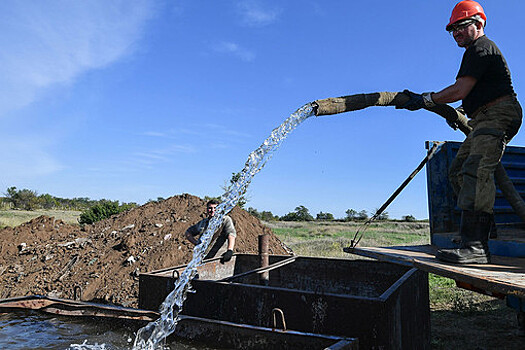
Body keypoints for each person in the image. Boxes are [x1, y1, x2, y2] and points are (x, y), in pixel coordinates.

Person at [398, 1, 522, 264]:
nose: (456, 33)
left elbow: (460, 89)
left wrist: (426, 99)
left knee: (476, 169)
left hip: (499, 114)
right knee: (459, 169)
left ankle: (476, 247)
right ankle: (480, 233)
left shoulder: (481, 47)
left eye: (461, 26)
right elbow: (470, 93)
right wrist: (458, 110)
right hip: (484, 116)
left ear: (479, 24)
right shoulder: (476, 51)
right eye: (452, 29)